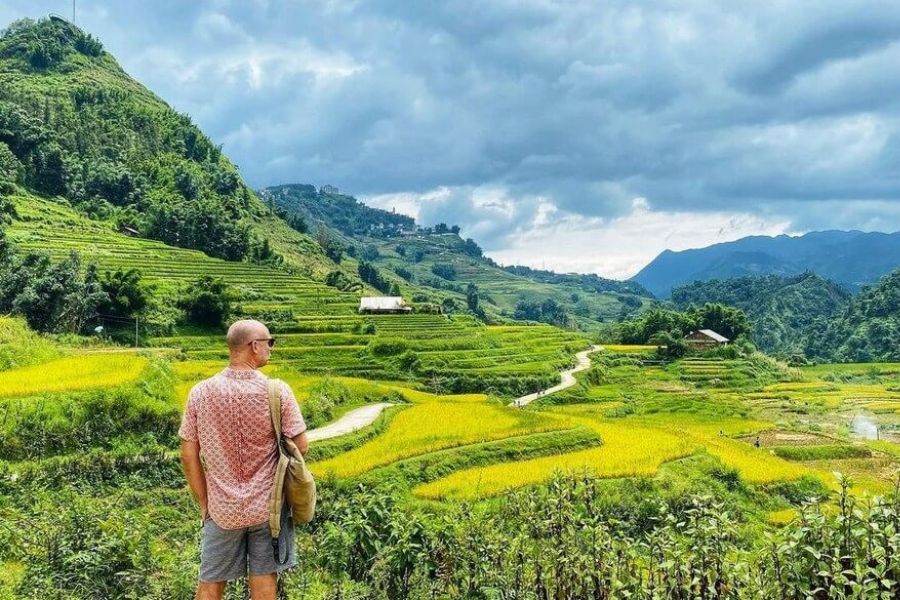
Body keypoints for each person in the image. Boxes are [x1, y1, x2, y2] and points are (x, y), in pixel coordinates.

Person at [179, 319, 309, 600]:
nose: (271, 348)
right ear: (254, 346)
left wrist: (204, 502)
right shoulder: (277, 391)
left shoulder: (200, 392)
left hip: (222, 509)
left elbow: (188, 451)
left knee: (211, 582)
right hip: (268, 507)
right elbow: (301, 446)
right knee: (263, 581)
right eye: (269, 342)